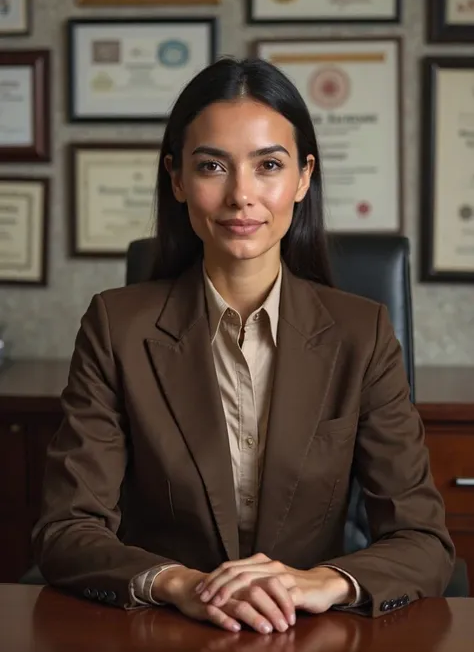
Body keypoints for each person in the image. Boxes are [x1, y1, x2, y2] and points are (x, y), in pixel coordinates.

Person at [33, 58, 454, 635]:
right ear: (177, 179)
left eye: (269, 166)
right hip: (166, 628)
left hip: (307, 631)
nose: (241, 196)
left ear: (303, 178)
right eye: (212, 166)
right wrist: (181, 583)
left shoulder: (363, 334)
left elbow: (423, 539)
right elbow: (67, 529)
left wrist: (321, 582)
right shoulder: (117, 326)